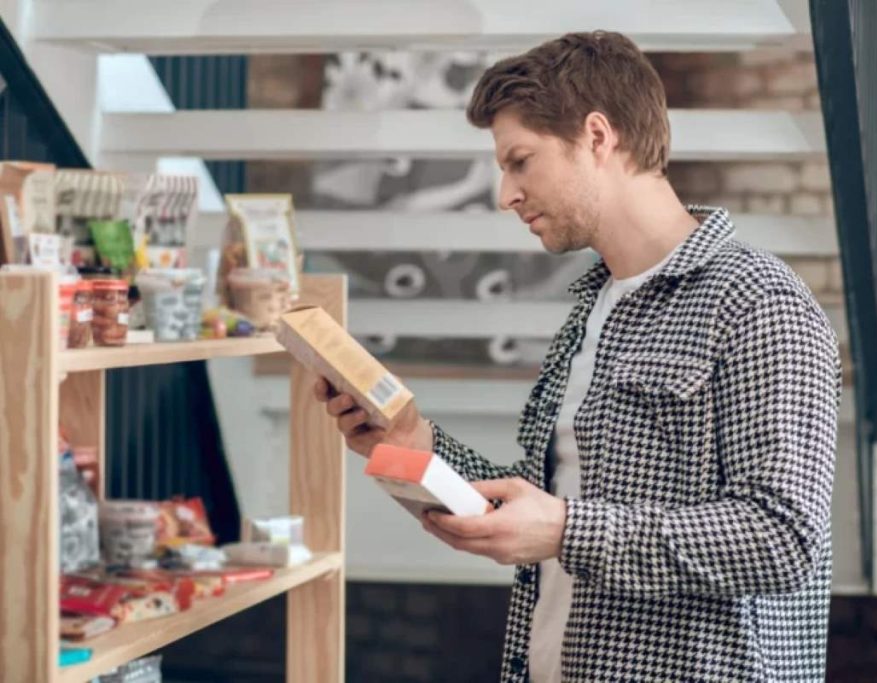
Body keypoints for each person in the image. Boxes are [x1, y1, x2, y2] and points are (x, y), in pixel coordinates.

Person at [314, 30, 841, 683]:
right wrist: (412, 442)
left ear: (597, 137)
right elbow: (546, 504)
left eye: (520, 161)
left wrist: (569, 531)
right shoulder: (592, 310)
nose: (505, 193)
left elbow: (783, 537)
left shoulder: (761, 302)